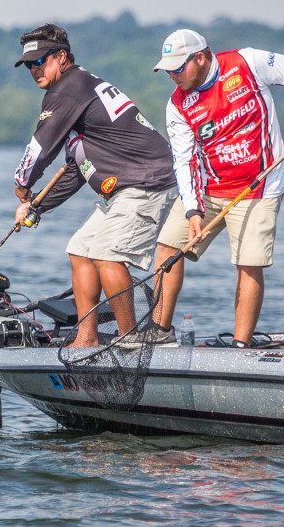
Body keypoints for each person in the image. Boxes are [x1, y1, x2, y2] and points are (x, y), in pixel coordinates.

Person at [11, 23, 177, 347]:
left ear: (61, 57)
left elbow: (40, 147)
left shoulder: (67, 90)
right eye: (28, 65)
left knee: (107, 256)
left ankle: (130, 341)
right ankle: (86, 338)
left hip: (148, 182)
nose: (34, 70)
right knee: (80, 250)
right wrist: (36, 207)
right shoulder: (78, 89)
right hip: (125, 189)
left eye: (40, 61)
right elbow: (77, 170)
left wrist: (22, 184)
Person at [150, 29, 284, 348]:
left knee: (248, 264)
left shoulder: (247, 62)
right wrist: (193, 211)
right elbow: (184, 161)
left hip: (260, 186)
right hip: (209, 188)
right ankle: (159, 332)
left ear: (200, 57)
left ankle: (241, 344)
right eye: (168, 70)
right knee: (169, 246)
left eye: (178, 67)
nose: (173, 76)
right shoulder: (177, 106)